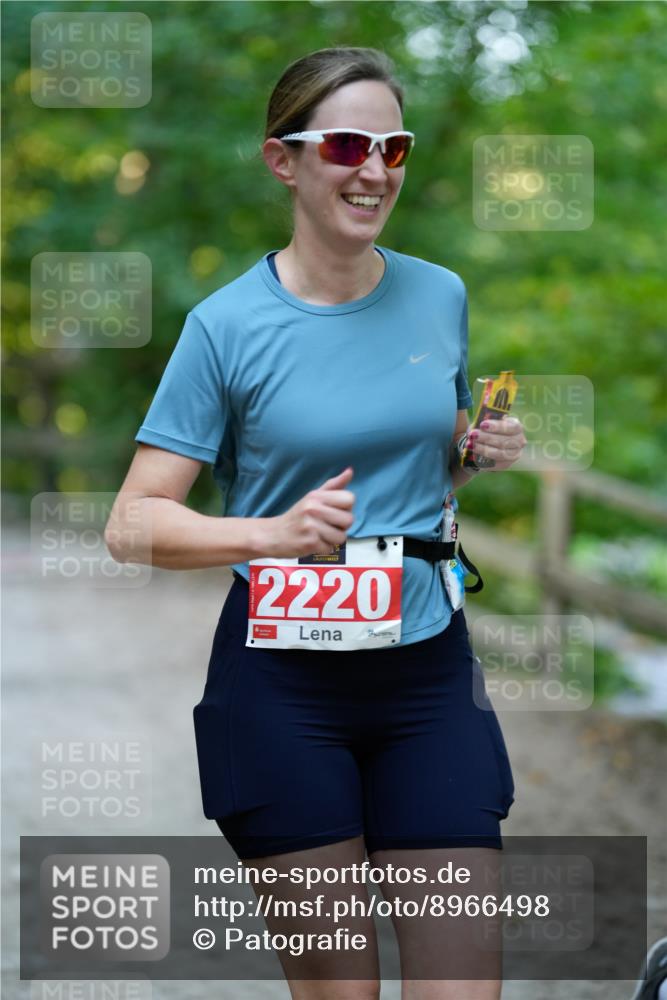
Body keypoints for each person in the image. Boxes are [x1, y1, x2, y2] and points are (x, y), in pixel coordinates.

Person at [107, 46, 527, 1000]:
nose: (373, 169)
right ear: (282, 159)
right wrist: (272, 533)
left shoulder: (439, 293)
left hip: (425, 669)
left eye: (394, 147)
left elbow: (426, 450)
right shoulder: (225, 326)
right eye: (345, 144)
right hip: (284, 689)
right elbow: (133, 523)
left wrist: (476, 447)